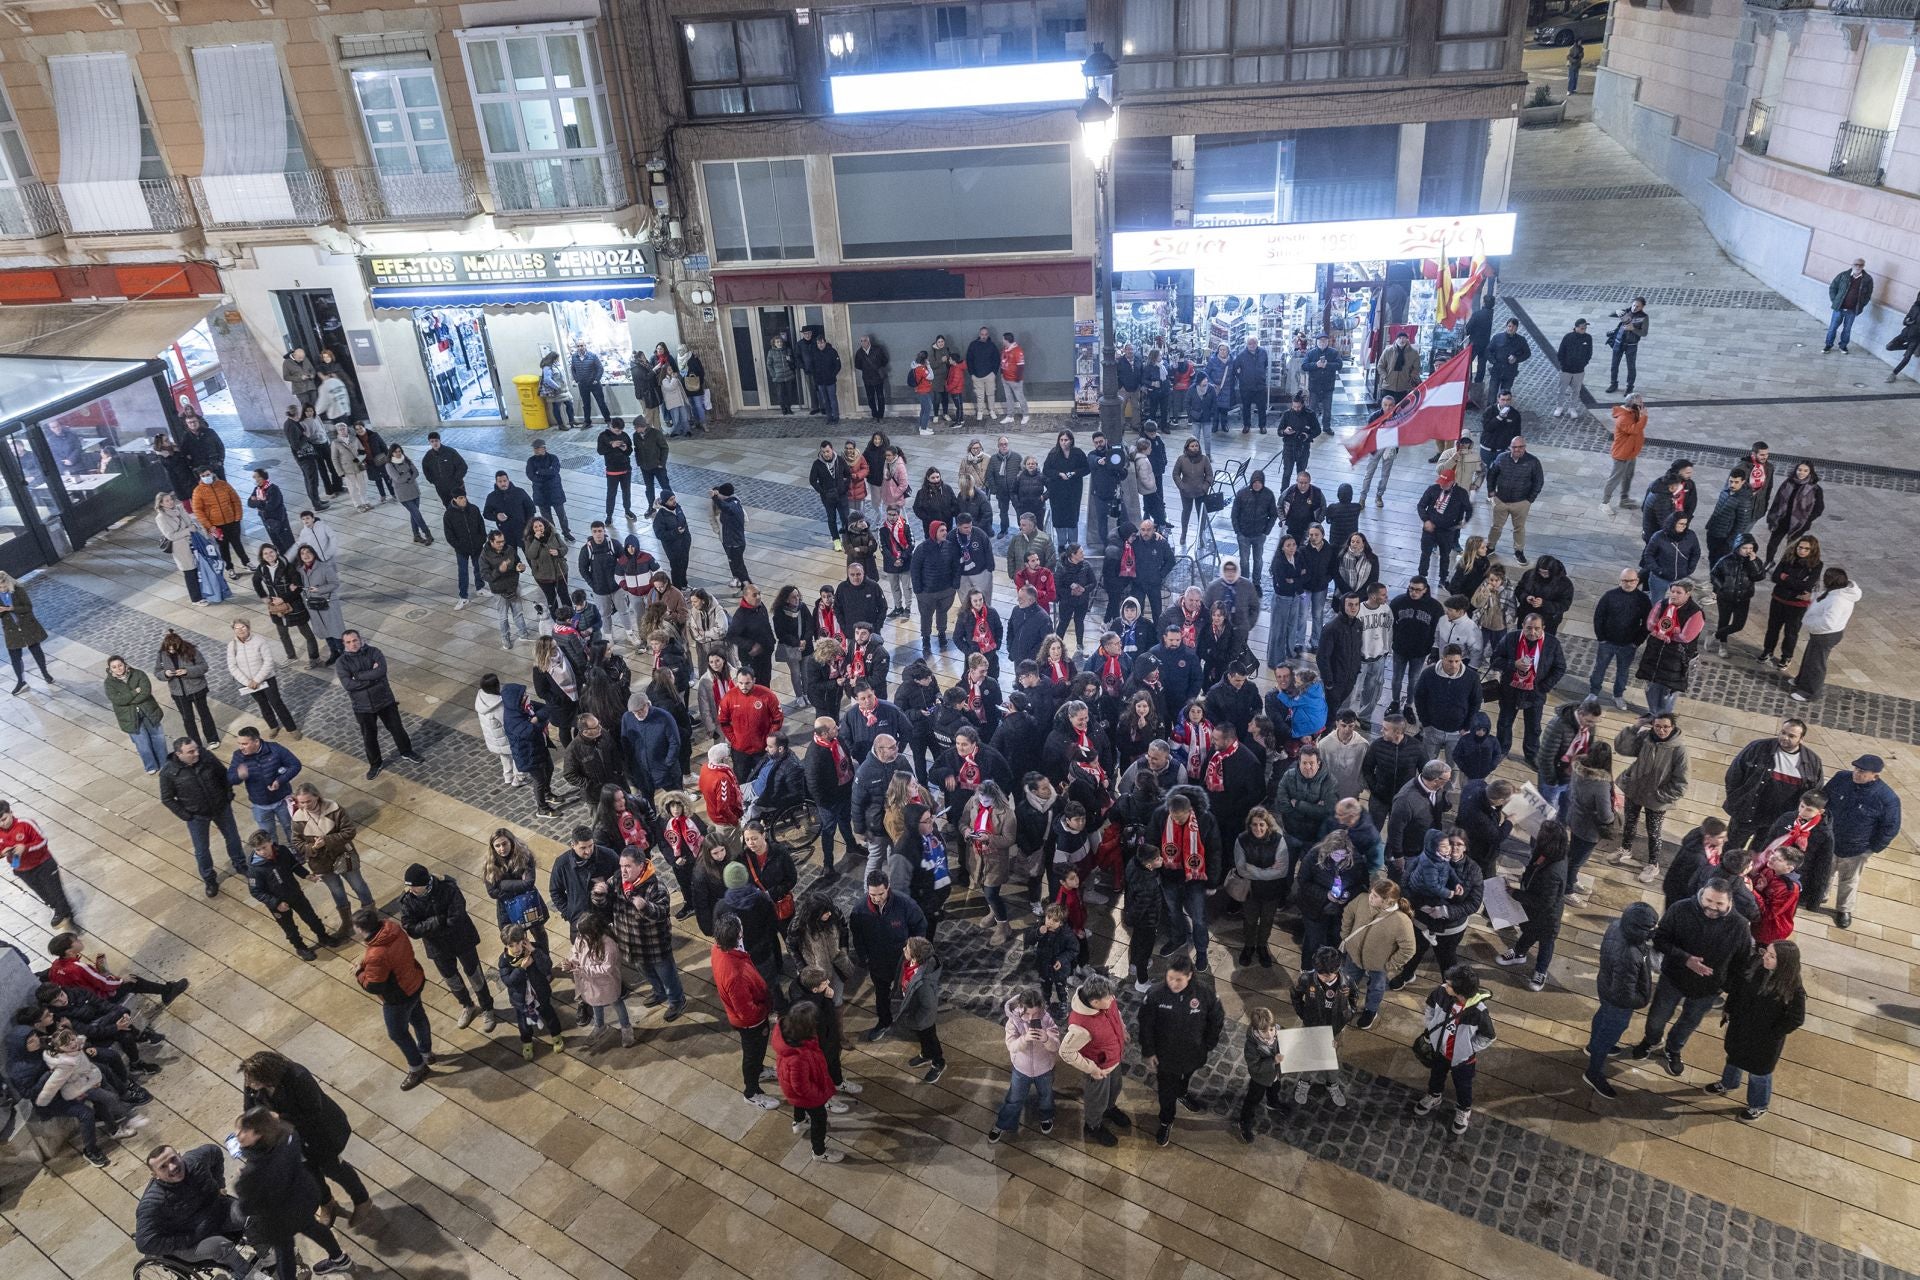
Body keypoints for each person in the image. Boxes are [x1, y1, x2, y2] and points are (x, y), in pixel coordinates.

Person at [1631, 881, 1753, 1076]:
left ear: (1729, 902)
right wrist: (1685, 959)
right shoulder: (1680, 908)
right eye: (1709, 900)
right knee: (1656, 1018)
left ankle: (1673, 1049)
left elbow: (1742, 962)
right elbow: (1661, 939)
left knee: (1689, 1022)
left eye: (1719, 904)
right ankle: (1651, 1041)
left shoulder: (1739, 926)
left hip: (1708, 988)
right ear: (1701, 894)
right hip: (1673, 977)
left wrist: (1724, 985)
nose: (1712, 907)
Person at [232, 1108, 353, 1278]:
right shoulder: (287, 1135)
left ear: (258, 1134)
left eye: (244, 1130)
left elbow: (245, 1207)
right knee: (313, 1227)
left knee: (284, 1251)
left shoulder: (250, 1175)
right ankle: (340, 1259)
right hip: (304, 1196)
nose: (237, 1134)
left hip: (280, 1217)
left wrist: (241, 1181)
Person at [397, 862, 498, 1032]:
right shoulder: (408, 900)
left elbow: (456, 917)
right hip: (438, 948)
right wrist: (438, 921)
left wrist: (429, 927)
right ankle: (467, 1005)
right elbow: (411, 928)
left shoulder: (447, 888)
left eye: (415, 886)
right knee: (451, 979)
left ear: (425, 883)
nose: (412, 890)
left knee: (475, 974)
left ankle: (487, 1007)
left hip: (461, 939)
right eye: (410, 887)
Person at [137, 1144, 251, 1275]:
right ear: (155, 1175)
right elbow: (144, 1242)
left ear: (180, 1155)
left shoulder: (196, 1160)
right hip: (191, 1240)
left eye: (173, 1159)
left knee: (252, 1212)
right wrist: (187, 1239)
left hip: (217, 1214)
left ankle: (267, 1255)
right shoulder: (153, 1202)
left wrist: (219, 1185)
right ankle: (246, 1273)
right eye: (163, 1167)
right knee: (220, 1246)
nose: (172, 1167)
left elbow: (215, 1151)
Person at [158, 737, 247, 898]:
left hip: (220, 807)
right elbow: (167, 798)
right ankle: (209, 879)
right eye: (191, 752)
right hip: (197, 815)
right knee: (202, 850)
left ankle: (240, 864)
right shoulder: (168, 772)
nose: (196, 753)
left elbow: (222, 775)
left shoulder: (206, 757)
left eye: (196, 749)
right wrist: (186, 815)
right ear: (179, 754)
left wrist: (228, 795)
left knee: (233, 838)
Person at [1822, 755, 1900, 928]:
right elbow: (1824, 798)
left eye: (1862, 771)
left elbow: (1890, 827)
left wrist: (1871, 849)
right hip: (1830, 840)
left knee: (1849, 880)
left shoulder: (1887, 798)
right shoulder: (1841, 778)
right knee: (1824, 871)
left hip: (1856, 848)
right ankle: (1820, 895)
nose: (1856, 773)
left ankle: (1844, 909)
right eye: (1856, 769)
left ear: (1875, 776)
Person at [1722, 718, 1823, 851]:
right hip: (1747, 812)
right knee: (1731, 848)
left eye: (1791, 736)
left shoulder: (1812, 762)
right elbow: (1734, 774)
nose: (1785, 738)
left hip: (1777, 820)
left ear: (1801, 739)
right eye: (1783, 732)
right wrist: (1736, 797)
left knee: (1761, 853)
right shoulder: (1758, 748)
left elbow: (1813, 793)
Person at [1496, 820, 1571, 991]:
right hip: (1534, 911)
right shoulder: (1550, 854)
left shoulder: (1554, 872)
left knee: (1546, 942)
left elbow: (1545, 902)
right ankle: (1519, 953)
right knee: (1529, 932)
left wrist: (1516, 894)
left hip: (1547, 915)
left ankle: (1540, 971)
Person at [337, 630, 421, 779]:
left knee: (397, 728)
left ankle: (406, 751)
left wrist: (359, 676)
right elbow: (348, 684)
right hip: (362, 706)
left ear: (360, 639)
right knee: (369, 736)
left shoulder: (374, 652)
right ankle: (375, 764)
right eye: (349, 642)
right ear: (344, 644)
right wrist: (372, 677)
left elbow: (381, 671)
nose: (353, 644)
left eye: (355, 640)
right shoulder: (342, 662)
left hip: (384, 700)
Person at [245, 830, 328, 961]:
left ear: (270, 842)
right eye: (258, 849)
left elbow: (294, 865)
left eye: (264, 847)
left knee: (311, 917)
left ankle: (323, 936)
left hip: (295, 893)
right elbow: (256, 891)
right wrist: (276, 903)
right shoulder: (254, 869)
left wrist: (307, 875)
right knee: (289, 928)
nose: (262, 852)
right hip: (278, 904)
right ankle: (300, 947)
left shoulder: (282, 851)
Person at [1288, 946, 1354, 1107]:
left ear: (1337, 968)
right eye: (1321, 974)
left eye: (1328, 974)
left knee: (1332, 1059)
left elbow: (1354, 999)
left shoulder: (1346, 981)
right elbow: (1296, 995)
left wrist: (1347, 1014)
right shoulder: (1306, 979)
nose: (1324, 977)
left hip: (1335, 1029)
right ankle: (1304, 1081)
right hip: (1312, 1026)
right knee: (1308, 1056)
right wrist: (1303, 1014)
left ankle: (1332, 1083)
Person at [1, 801, 77, 926]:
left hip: (43, 865)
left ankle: (69, 917)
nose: (2, 824)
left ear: (11, 813)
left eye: (4, 819)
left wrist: (24, 848)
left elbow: (42, 842)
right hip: (22, 870)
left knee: (56, 892)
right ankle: (60, 911)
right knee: (45, 895)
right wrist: (2, 853)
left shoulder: (26, 824)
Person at [1790, 567, 1859, 702]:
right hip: (1820, 633)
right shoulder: (1835, 592)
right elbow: (1824, 597)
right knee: (1809, 658)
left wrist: (1810, 623)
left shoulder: (1838, 600)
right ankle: (1801, 681)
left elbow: (1829, 622)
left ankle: (1810, 692)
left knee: (1816, 664)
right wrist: (1812, 597)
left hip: (1825, 634)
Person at [1484, 436, 1543, 565]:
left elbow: (1538, 482)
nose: (1517, 449)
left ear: (1525, 447)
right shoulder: (1501, 458)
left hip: (1521, 502)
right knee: (1496, 526)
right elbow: (1492, 474)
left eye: (1520, 447)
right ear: (1510, 447)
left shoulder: (1533, 462)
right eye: (1514, 447)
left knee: (1519, 528)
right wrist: (1491, 491)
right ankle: (1490, 547)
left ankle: (1519, 551)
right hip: (1501, 500)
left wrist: (1530, 499)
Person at [1825, 256, 1873, 353]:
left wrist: (1862, 305)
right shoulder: (1843, 275)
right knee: (1832, 328)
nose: (1858, 267)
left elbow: (1868, 295)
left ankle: (1843, 346)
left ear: (1863, 266)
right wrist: (1835, 300)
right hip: (1839, 308)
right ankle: (1828, 345)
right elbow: (1833, 287)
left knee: (1847, 329)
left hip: (1852, 310)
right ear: (1852, 265)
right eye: (1856, 264)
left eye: (1861, 265)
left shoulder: (1867, 279)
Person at [1605, 297, 1650, 393]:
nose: (1634, 308)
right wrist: (1616, 311)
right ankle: (1613, 384)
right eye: (1634, 305)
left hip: (1631, 344)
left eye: (1638, 306)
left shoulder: (1644, 317)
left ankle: (1630, 387)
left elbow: (1644, 333)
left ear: (1643, 307)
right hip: (1619, 341)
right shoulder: (1626, 311)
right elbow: (1610, 315)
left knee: (1631, 367)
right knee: (1614, 365)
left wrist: (1633, 328)